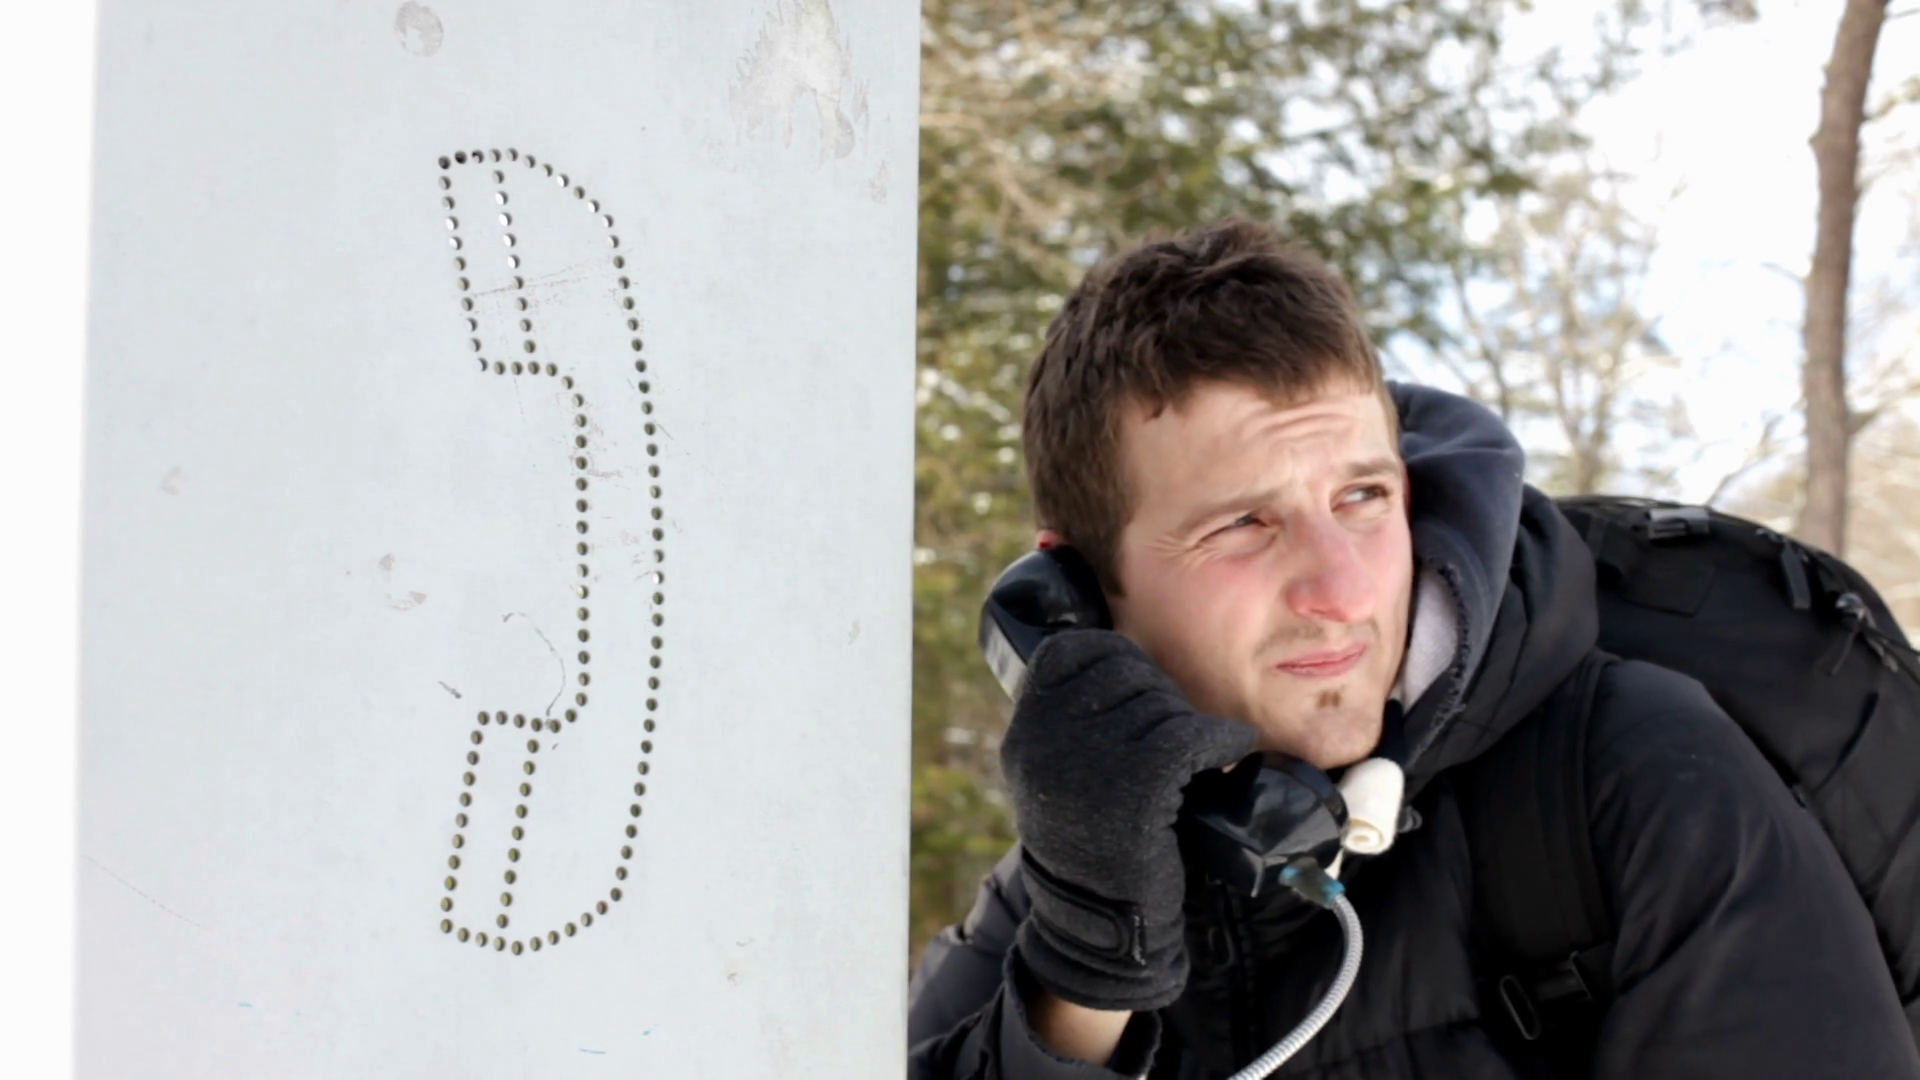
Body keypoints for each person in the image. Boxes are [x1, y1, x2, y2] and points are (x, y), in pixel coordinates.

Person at [905, 219, 1920, 1079]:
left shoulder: (1636, 781)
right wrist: (1083, 978)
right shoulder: (1077, 874)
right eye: (1244, 525)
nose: (1344, 591)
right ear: (1080, 590)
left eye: (1363, 497)